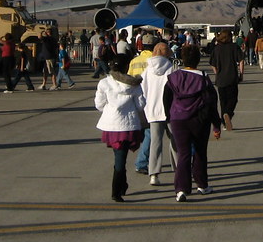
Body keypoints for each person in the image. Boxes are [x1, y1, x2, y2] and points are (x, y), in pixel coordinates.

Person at [164, 44, 222, 202]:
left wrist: (169, 116)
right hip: (199, 119)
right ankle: (202, 184)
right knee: (200, 152)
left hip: (178, 119)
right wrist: (216, 125)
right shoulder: (203, 78)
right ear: (198, 59)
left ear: (183, 59)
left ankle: (181, 190)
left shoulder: (173, 77)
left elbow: (166, 98)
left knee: (183, 154)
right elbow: (211, 103)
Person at [94, 59, 146, 202]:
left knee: (118, 155)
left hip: (111, 124)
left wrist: (109, 109)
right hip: (127, 124)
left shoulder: (104, 83)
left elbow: (99, 104)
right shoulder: (134, 84)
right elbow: (141, 105)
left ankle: (121, 185)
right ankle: (117, 190)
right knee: (121, 158)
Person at [134, 41, 176, 186]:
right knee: (175, 142)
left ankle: (153, 174)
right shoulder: (171, 69)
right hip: (170, 110)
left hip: (152, 110)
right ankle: (179, 171)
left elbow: (142, 90)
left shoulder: (147, 70)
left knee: (155, 143)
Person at [209, 30, 243, 130]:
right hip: (232, 77)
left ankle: (224, 123)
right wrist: (241, 74)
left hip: (220, 79)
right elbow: (241, 61)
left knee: (223, 101)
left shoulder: (216, 49)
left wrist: (217, 73)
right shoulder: (234, 47)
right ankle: (228, 113)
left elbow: (212, 64)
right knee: (233, 99)